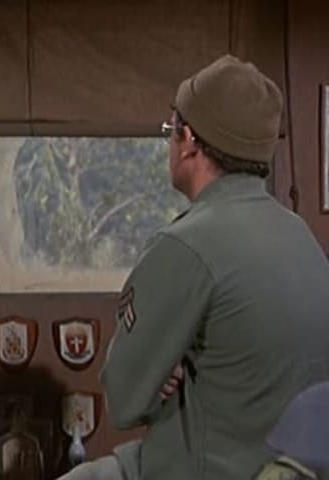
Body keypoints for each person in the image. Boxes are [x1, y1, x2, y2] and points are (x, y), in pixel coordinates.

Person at [59, 54, 329, 480]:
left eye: (170, 130)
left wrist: (163, 366)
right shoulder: (301, 236)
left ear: (187, 141)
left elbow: (125, 400)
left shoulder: (184, 245)